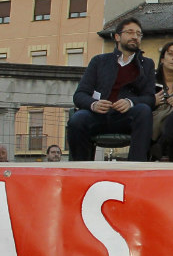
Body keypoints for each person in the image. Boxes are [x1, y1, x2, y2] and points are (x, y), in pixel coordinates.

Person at [67, 18, 156, 162]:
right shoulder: (99, 61)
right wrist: (93, 104)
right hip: (98, 115)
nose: (135, 36)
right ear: (117, 37)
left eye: (139, 34)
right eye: (130, 32)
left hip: (126, 117)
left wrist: (130, 102)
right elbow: (80, 95)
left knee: (144, 111)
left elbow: (150, 98)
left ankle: (135, 169)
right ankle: (81, 168)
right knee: (77, 119)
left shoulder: (147, 64)